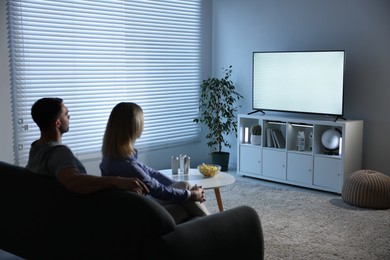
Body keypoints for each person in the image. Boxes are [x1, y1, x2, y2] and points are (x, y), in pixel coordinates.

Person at [100, 102, 210, 223]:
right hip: (138, 218)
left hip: (140, 206)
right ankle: (215, 226)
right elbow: (158, 190)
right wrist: (192, 194)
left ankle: (210, 225)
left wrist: (180, 186)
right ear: (134, 126)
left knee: (184, 188)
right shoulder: (127, 166)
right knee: (185, 204)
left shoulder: (114, 157)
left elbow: (152, 173)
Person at [26, 97, 149, 195]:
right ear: (57, 123)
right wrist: (117, 181)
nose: (69, 117)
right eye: (66, 114)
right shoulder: (60, 152)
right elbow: (73, 181)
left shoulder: (36, 148)